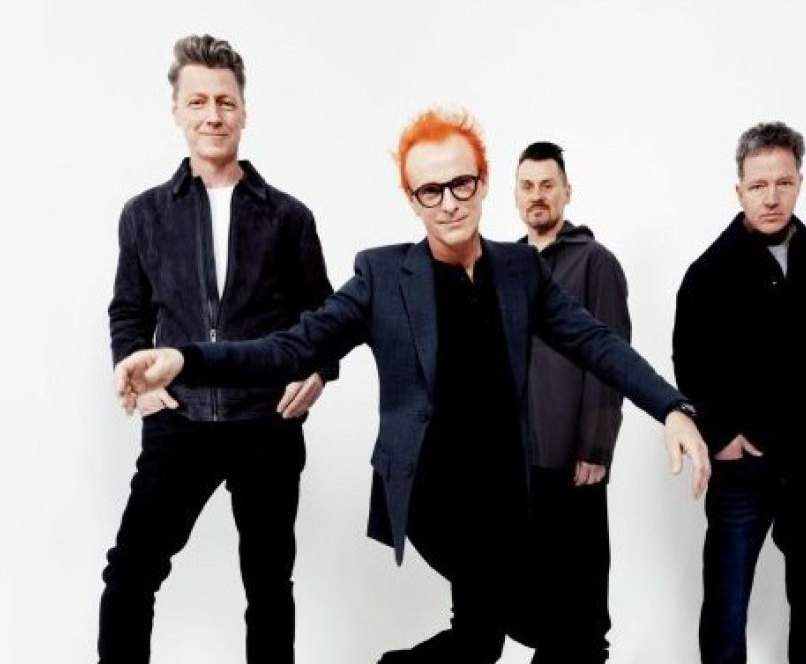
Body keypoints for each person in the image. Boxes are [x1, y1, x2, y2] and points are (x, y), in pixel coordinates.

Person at [114, 108, 710, 664]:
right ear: (412, 199)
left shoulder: (519, 270)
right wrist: (185, 359)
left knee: (479, 642)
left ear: (482, 182)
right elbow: (290, 348)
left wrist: (673, 408)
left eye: (461, 184)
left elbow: (596, 342)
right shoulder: (382, 276)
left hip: (506, 491)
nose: (449, 203)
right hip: (436, 492)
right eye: (431, 191)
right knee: (562, 630)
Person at [99, 34, 337, 664]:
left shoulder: (288, 217)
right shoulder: (144, 214)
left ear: (244, 111)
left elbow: (324, 317)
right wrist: (138, 375)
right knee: (131, 572)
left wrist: (319, 371)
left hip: (266, 423)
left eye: (225, 102)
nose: (213, 115)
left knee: (269, 585)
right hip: (178, 421)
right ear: (176, 110)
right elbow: (129, 311)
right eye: (198, 101)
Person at [672, 122, 806, 664]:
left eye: (783, 182)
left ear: (800, 182)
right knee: (725, 612)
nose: (772, 197)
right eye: (759, 185)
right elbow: (690, 362)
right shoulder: (708, 272)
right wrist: (722, 437)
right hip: (743, 471)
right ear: (739, 189)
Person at [514, 141, 628, 663]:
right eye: (527, 186)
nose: (537, 196)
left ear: (567, 192)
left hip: (573, 459)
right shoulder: (505, 266)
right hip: (520, 459)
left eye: (547, 185)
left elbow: (610, 359)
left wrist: (595, 448)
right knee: (534, 595)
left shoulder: (595, 263)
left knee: (581, 599)